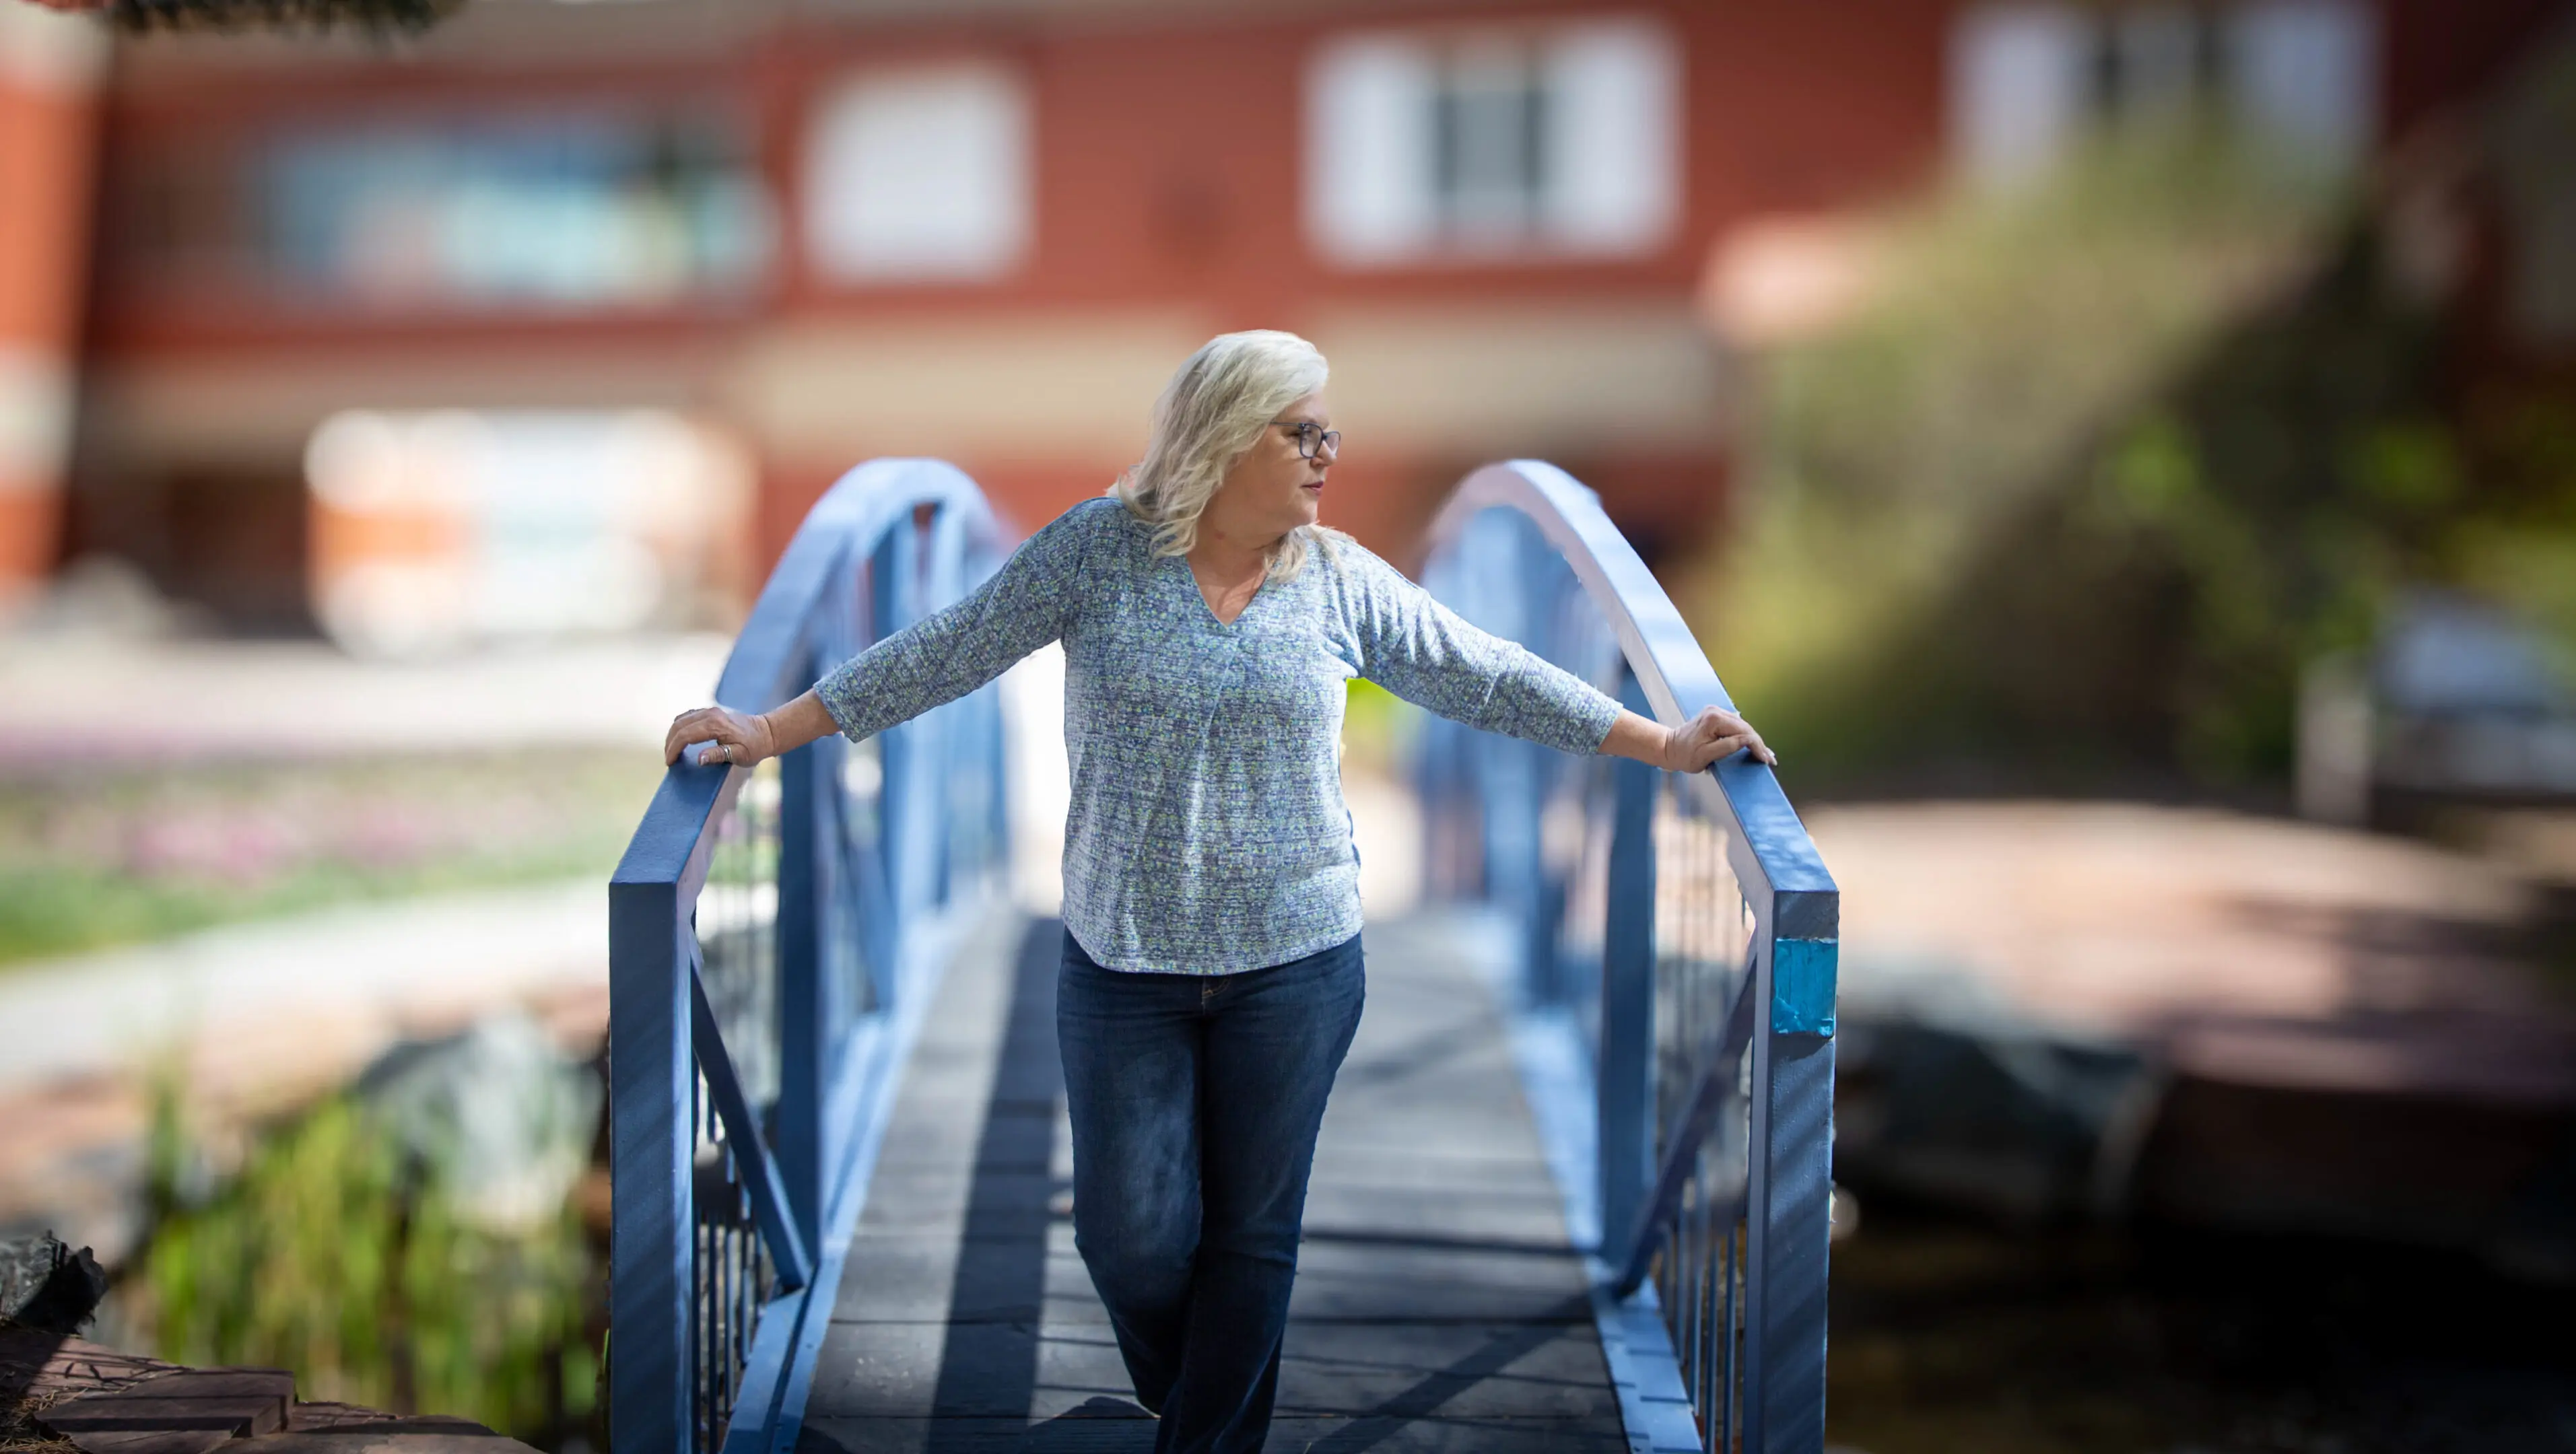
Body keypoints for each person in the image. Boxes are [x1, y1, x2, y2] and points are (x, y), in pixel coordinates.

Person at [660, 329, 1772, 1453]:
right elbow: (949, 647)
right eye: (1304, 433)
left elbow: (1480, 671)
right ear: (1228, 434)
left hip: (1296, 960)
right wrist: (767, 730)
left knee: (1251, 1236)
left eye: (1327, 432)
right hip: (1122, 962)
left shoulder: (1333, 575)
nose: (1326, 454)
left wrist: (1660, 743)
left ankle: (1205, 1435)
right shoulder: (1098, 553)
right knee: (1126, 1235)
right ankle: (1192, 1392)